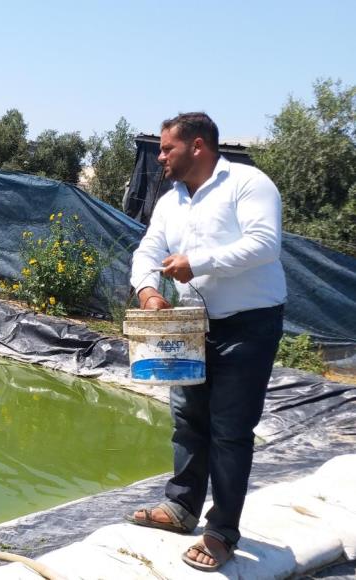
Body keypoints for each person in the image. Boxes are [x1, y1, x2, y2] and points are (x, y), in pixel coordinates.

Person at [126, 112, 287, 572]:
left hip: (248, 325)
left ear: (197, 146)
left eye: (167, 148)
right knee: (188, 420)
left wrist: (198, 262)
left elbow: (264, 244)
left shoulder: (248, 184)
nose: (161, 157)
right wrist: (148, 290)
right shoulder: (171, 200)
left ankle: (221, 532)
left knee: (230, 431)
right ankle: (181, 507)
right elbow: (149, 249)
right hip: (191, 325)